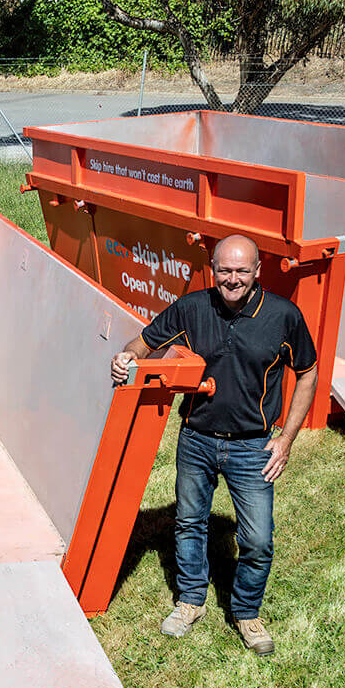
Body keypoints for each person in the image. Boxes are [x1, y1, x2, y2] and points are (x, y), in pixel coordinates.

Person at [110, 234, 318, 656]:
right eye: (225, 270)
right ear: (212, 269)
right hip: (197, 440)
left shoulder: (284, 316)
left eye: (242, 270)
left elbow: (308, 372)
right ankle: (190, 601)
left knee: (258, 540)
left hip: (253, 447)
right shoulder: (192, 307)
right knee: (189, 523)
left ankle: (246, 612)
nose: (233, 279)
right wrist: (127, 357)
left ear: (258, 271)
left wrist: (287, 439)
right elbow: (145, 341)